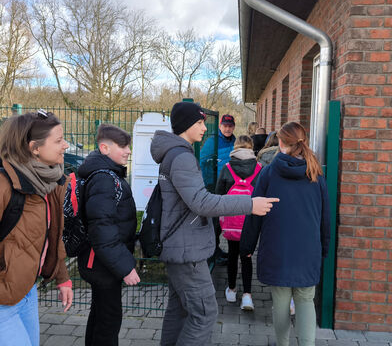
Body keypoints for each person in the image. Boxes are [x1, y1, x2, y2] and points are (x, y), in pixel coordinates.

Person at [151, 102, 279, 346]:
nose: (204, 128)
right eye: (199, 123)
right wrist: (249, 204)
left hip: (179, 244)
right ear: (186, 125)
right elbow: (201, 203)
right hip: (187, 249)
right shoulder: (181, 157)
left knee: (179, 310)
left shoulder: (176, 154)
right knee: (205, 314)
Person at [240, 122, 331, 346]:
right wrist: (324, 246)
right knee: (306, 300)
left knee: (280, 303)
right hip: (308, 250)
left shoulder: (269, 173)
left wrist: (247, 246)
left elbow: (255, 211)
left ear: (280, 143)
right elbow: (325, 216)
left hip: (277, 248)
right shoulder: (315, 174)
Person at [0, 110, 73, 346]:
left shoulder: (50, 182)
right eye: (59, 140)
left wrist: (63, 278)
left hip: (27, 291)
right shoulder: (4, 185)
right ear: (34, 148)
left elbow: (52, 237)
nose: (66, 145)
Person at [77, 124, 140, 346]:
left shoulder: (107, 174)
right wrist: (125, 267)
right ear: (105, 148)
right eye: (123, 146)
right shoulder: (104, 179)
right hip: (103, 264)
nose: (128, 151)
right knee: (108, 321)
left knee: (100, 315)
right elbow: (102, 229)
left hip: (102, 261)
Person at [215, 135, 262, 311]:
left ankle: (232, 290)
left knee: (233, 255)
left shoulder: (227, 168)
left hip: (231, 222)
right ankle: (247, 296)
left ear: (235, 148)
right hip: (250, 221)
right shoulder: (259, 168)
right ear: (251, 147)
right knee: (247, 256)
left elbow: (218, 196)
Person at [200, 114, 236, 264]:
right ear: (220, 126)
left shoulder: (234, 141)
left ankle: (216, 249)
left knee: (222, 221)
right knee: (214, 222)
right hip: (214, 186)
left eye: (230, 126)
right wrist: (209, 182)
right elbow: (203, 162)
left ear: (233, 127)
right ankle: (212, 253)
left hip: (228, 186)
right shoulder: (212, 141)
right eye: (225, 126)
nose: (227, 129)